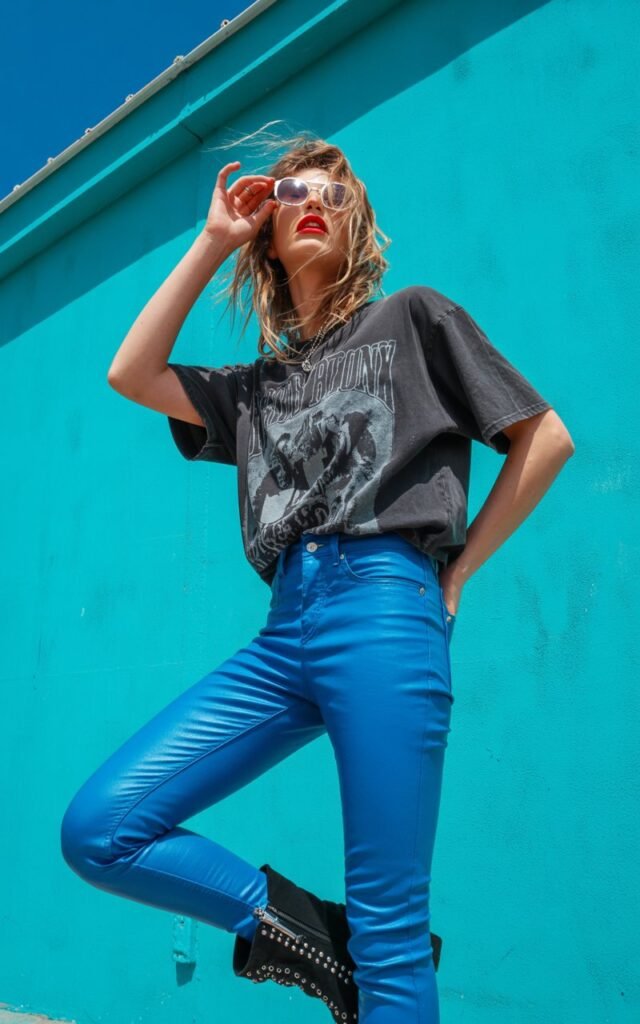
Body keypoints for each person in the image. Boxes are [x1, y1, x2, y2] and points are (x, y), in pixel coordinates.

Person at [60, 131, 575, 1024]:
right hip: (283, 634)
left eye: (335, 196)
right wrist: (213, 240)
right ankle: (309, 944)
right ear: (267, 229)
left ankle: (366, 960)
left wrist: (457, 573)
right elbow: (130, 372)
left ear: (356, 223)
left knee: (390, 933)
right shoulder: (252, 388)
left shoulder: (412, 318)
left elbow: (546, 438)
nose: (312, 204)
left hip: (385, 607)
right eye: (292, 192)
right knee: (99, 828)